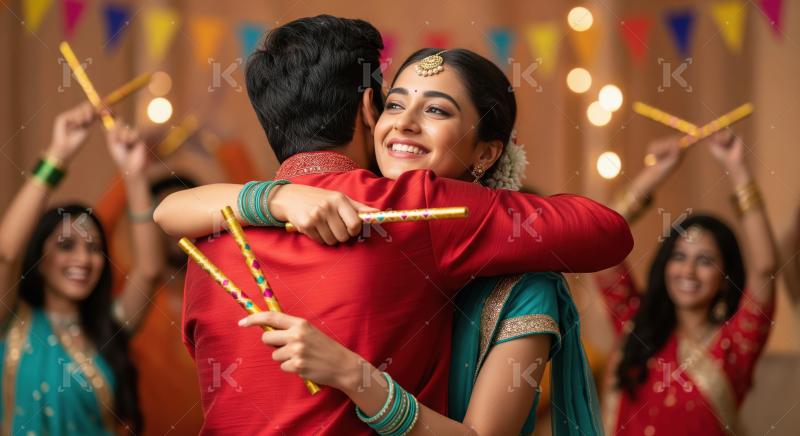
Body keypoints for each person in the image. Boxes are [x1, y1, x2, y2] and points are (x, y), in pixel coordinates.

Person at [154, 15, 632, 434]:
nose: (403, 124)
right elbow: (606, 232)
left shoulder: (207, 237)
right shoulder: (414, 210)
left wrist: (273, 196)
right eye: (395, 104)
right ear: (370, 108)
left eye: (437, 109)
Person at [594, 134, 777, 435]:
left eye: (705, 261)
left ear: (725, 279)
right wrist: (656, 172)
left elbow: (766, 268)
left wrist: (737, 168)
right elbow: (600, 238)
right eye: (679, 257)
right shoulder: (635, 324)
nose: (688, 272)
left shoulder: (735, 344)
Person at [0, 104, 164, 433]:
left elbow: (149, 271)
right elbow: (5, 254)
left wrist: (134, 174)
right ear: (39, 260)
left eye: (94, 248)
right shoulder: (10, 320)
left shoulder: (108, 326)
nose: (83, 259)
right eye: (65, 246)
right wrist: (57, 155)